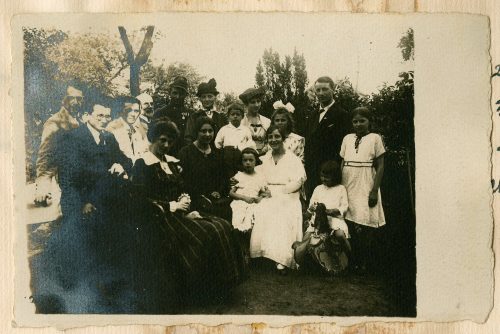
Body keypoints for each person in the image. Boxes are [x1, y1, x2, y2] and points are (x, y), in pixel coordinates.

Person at [130, 120, 244, 309]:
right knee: (208, 231)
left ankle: (223, 286)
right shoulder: (143, 164)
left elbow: (182, 187)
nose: (166, 146)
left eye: (170, 142)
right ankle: (203, 292)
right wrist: (172, 206)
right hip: (160, 217)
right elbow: (141, 198)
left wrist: (186, 202)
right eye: (162, 141)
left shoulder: (170, 162)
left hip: (180, 214)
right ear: (153, 139)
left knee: (222, 225)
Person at [32, 104, 133, 313]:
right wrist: (82, 204)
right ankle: (81, 290)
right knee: (83, 235)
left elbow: (125, 159)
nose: (104, 119)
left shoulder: (108, 138)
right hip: (77, 199)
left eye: (107, 116)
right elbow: (68, 179)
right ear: (88, 116)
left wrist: (120, 165)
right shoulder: (73, 138)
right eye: (99, 115)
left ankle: (111, 283)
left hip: (103, 197)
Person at [250, 125, 306, 274]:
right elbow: (258, 176)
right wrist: (264, 190)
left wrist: (281, 191)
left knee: (281, 212)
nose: (273, 140)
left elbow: (299, 180)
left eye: (277, 137)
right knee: (261, 209)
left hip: (288, 194)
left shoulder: (293, 159)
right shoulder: (265, 158)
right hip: (268, 192)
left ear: (283, 139)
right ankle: (263, 253)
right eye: (270, 137)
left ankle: (282, 259)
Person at [340, 106, 386, 273]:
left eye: (362, 121)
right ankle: (351, 261)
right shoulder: (347, 138)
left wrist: (374, 190)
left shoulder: (375, 138)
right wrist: (340, 186)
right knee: (349, 220)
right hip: (348, 181)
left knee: (365, 221)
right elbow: (343, 162)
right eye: (355, 121)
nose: (358, 124)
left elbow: (380, 166)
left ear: (369, 122)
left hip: (366, 181)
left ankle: (364, 262)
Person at [293, 160, 351, 275]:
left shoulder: (341, 189)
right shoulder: (318, 188)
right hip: (318, 219)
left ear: (335, 177)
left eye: (327, 177)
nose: (324, 179)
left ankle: (350, 255)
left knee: (339, 234)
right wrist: (312, 210)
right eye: (322, 176)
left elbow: (344, 207)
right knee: (307, 238)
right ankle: (302, 261)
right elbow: (311, 205)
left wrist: (334, 211)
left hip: (334, 219)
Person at [34, 85, 85, 207]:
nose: (75, 102)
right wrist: (42, 184)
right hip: (61, 175)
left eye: (79, 99)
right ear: (63, 100)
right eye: (71, 98)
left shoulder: (79, 121)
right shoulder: (54, 122)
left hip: (78, 175)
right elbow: (44, 154)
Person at [304, 76, 350, 199]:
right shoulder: (312, 115)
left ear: (333, 89)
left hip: (330, 171)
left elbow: (344, 145)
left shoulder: (342, 115)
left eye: (325, 89)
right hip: (312, 170)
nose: (321, 93)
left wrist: (334, 169)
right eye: (318, 90)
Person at [178, 116, 231, 220]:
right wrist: (200, 196)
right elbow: (182, 180)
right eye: (203, 131)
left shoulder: (217, 154)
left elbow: (224, 178)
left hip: (215, 200)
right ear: (196, 132)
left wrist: (218, 191)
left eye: (210, 131)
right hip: (194, 200)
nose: (207, 134)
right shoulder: (186, 153)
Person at [229, 148, 269, 263]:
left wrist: (259, 198)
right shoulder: (239, 175)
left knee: (254, 220)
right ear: (241, 162)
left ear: (256, 161)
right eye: (245, 160)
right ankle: (242, 251)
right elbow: (231, 193)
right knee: (238, 220)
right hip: (240, 202)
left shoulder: (260, 176)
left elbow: (265, 192)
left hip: (253, 203)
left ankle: (251, 251)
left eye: (251, 160)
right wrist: (244, 198)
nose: (247, 163)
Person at [215, 101, 256, 177]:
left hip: (241, 159)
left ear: (242, 116)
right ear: (228, 116)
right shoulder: (224, 129)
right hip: (227, 159)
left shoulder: (246, 130)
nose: (235, 116)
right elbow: (217, 144)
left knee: (241, 176)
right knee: (228, 176)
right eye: (232, 114)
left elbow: (250, 144)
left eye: (238, 114)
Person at [153, 76, 193, 155]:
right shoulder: (160, 112)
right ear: (170, 92)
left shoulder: (191, 114)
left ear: (185, 95)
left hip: (184, 154)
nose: (177, 97)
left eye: (181, 94)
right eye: (175, 93)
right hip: (163, 153)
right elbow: (153, 135)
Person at [107, 96, 149, 163]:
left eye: (136, 111)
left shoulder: (140, 128)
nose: (133, 114)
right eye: (129, 110)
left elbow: (146, 151)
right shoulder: (112, 128)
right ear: (122, 110)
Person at [185, 78, 228, 144]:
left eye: (210, 96)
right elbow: (189, 138)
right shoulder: (194, 116)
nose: (207, 99)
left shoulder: (221, 117)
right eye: (204, 97)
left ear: (215, 97)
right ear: (200, 99)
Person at [239, 87, 271, 155]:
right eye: (253, 102)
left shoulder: (267, 121)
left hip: (264, 156)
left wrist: (265, 149)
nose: (256, 105)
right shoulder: (240, 121)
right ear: (246, 104)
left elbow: (270, 140)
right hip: (246, 157)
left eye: (258, 101)